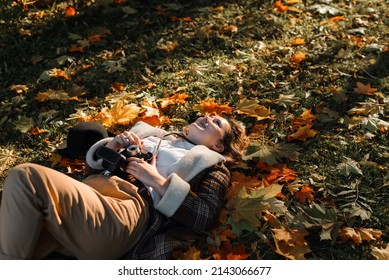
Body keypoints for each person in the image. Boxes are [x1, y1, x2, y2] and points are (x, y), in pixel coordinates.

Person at [0, 114, 249, 260]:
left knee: (26, 175)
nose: (206, 117)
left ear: (218, 146)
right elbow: (93, 176)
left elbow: (203, 217)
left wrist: (156, 180)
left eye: (216, 122)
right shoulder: (155, 135)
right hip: (91, 198)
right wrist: (113, 147)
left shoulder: (212, 166)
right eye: (207, 115)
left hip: (126, 210)